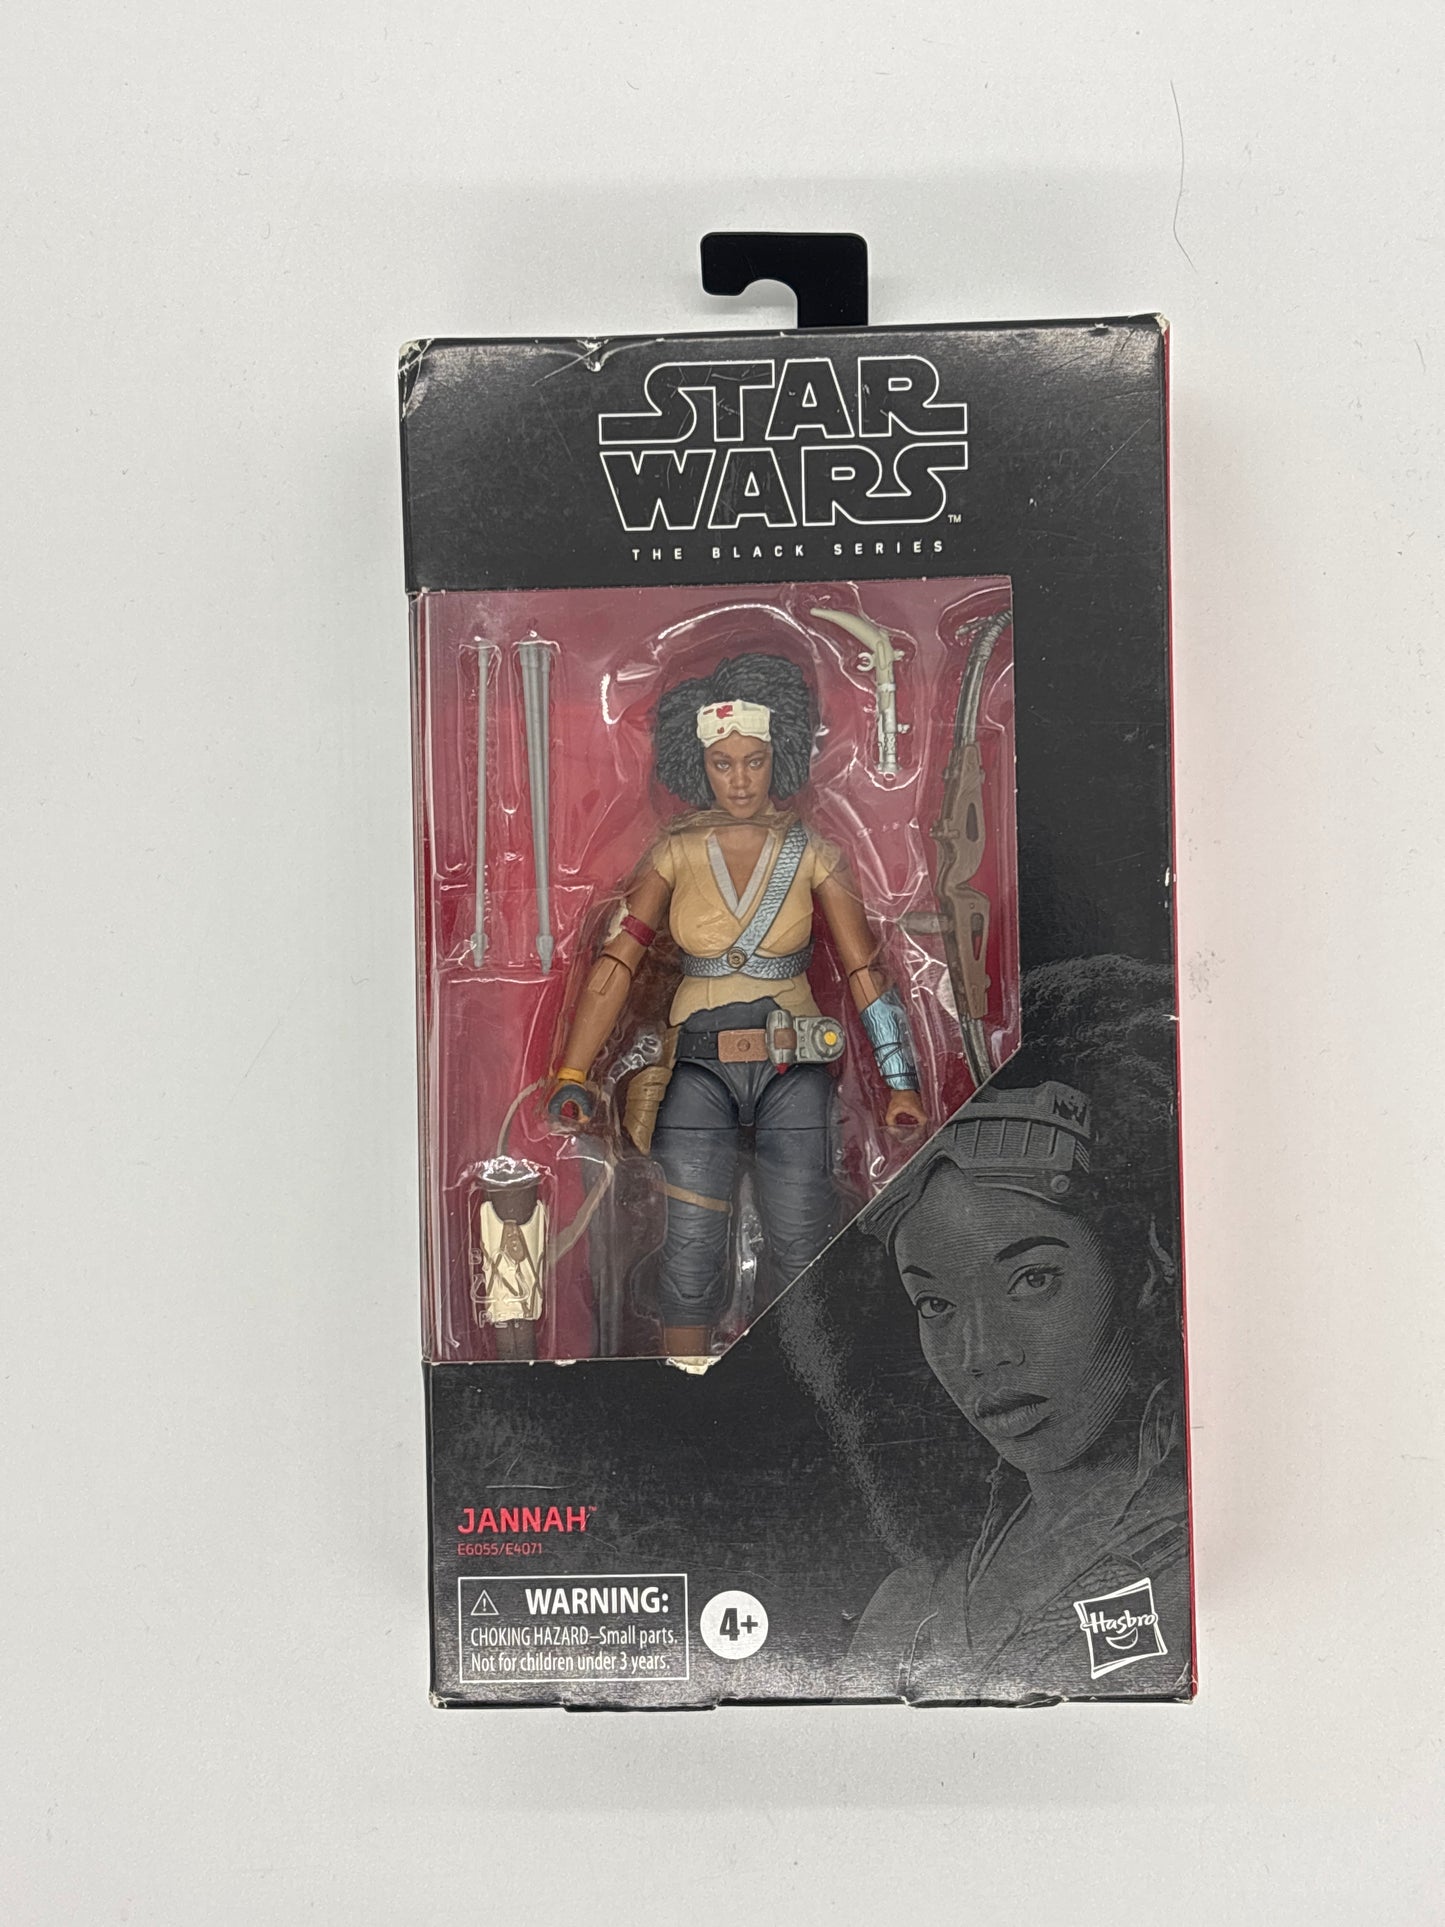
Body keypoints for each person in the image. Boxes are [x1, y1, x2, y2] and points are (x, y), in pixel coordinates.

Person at [547, 651, 924, 1359]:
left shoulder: (813, 852)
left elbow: (865, 969)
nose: (741, 780)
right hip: (697, 1068)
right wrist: (573, 1072)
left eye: (755, 761)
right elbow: (617, 961)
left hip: (794, 1069)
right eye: (723, 764)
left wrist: (899, 1081)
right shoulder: (674, 852)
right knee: (690, 1255)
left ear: (780, 755)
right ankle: (685, 1389)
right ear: (698, 765)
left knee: (803, 1247)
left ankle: (802, 1386)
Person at [847, 959, 1190, 1700]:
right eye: (935, 1305)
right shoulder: (908, 1610)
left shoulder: (1207, 1557)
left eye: (1032, 1279)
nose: (981, 1354)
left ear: (1145, 1263)